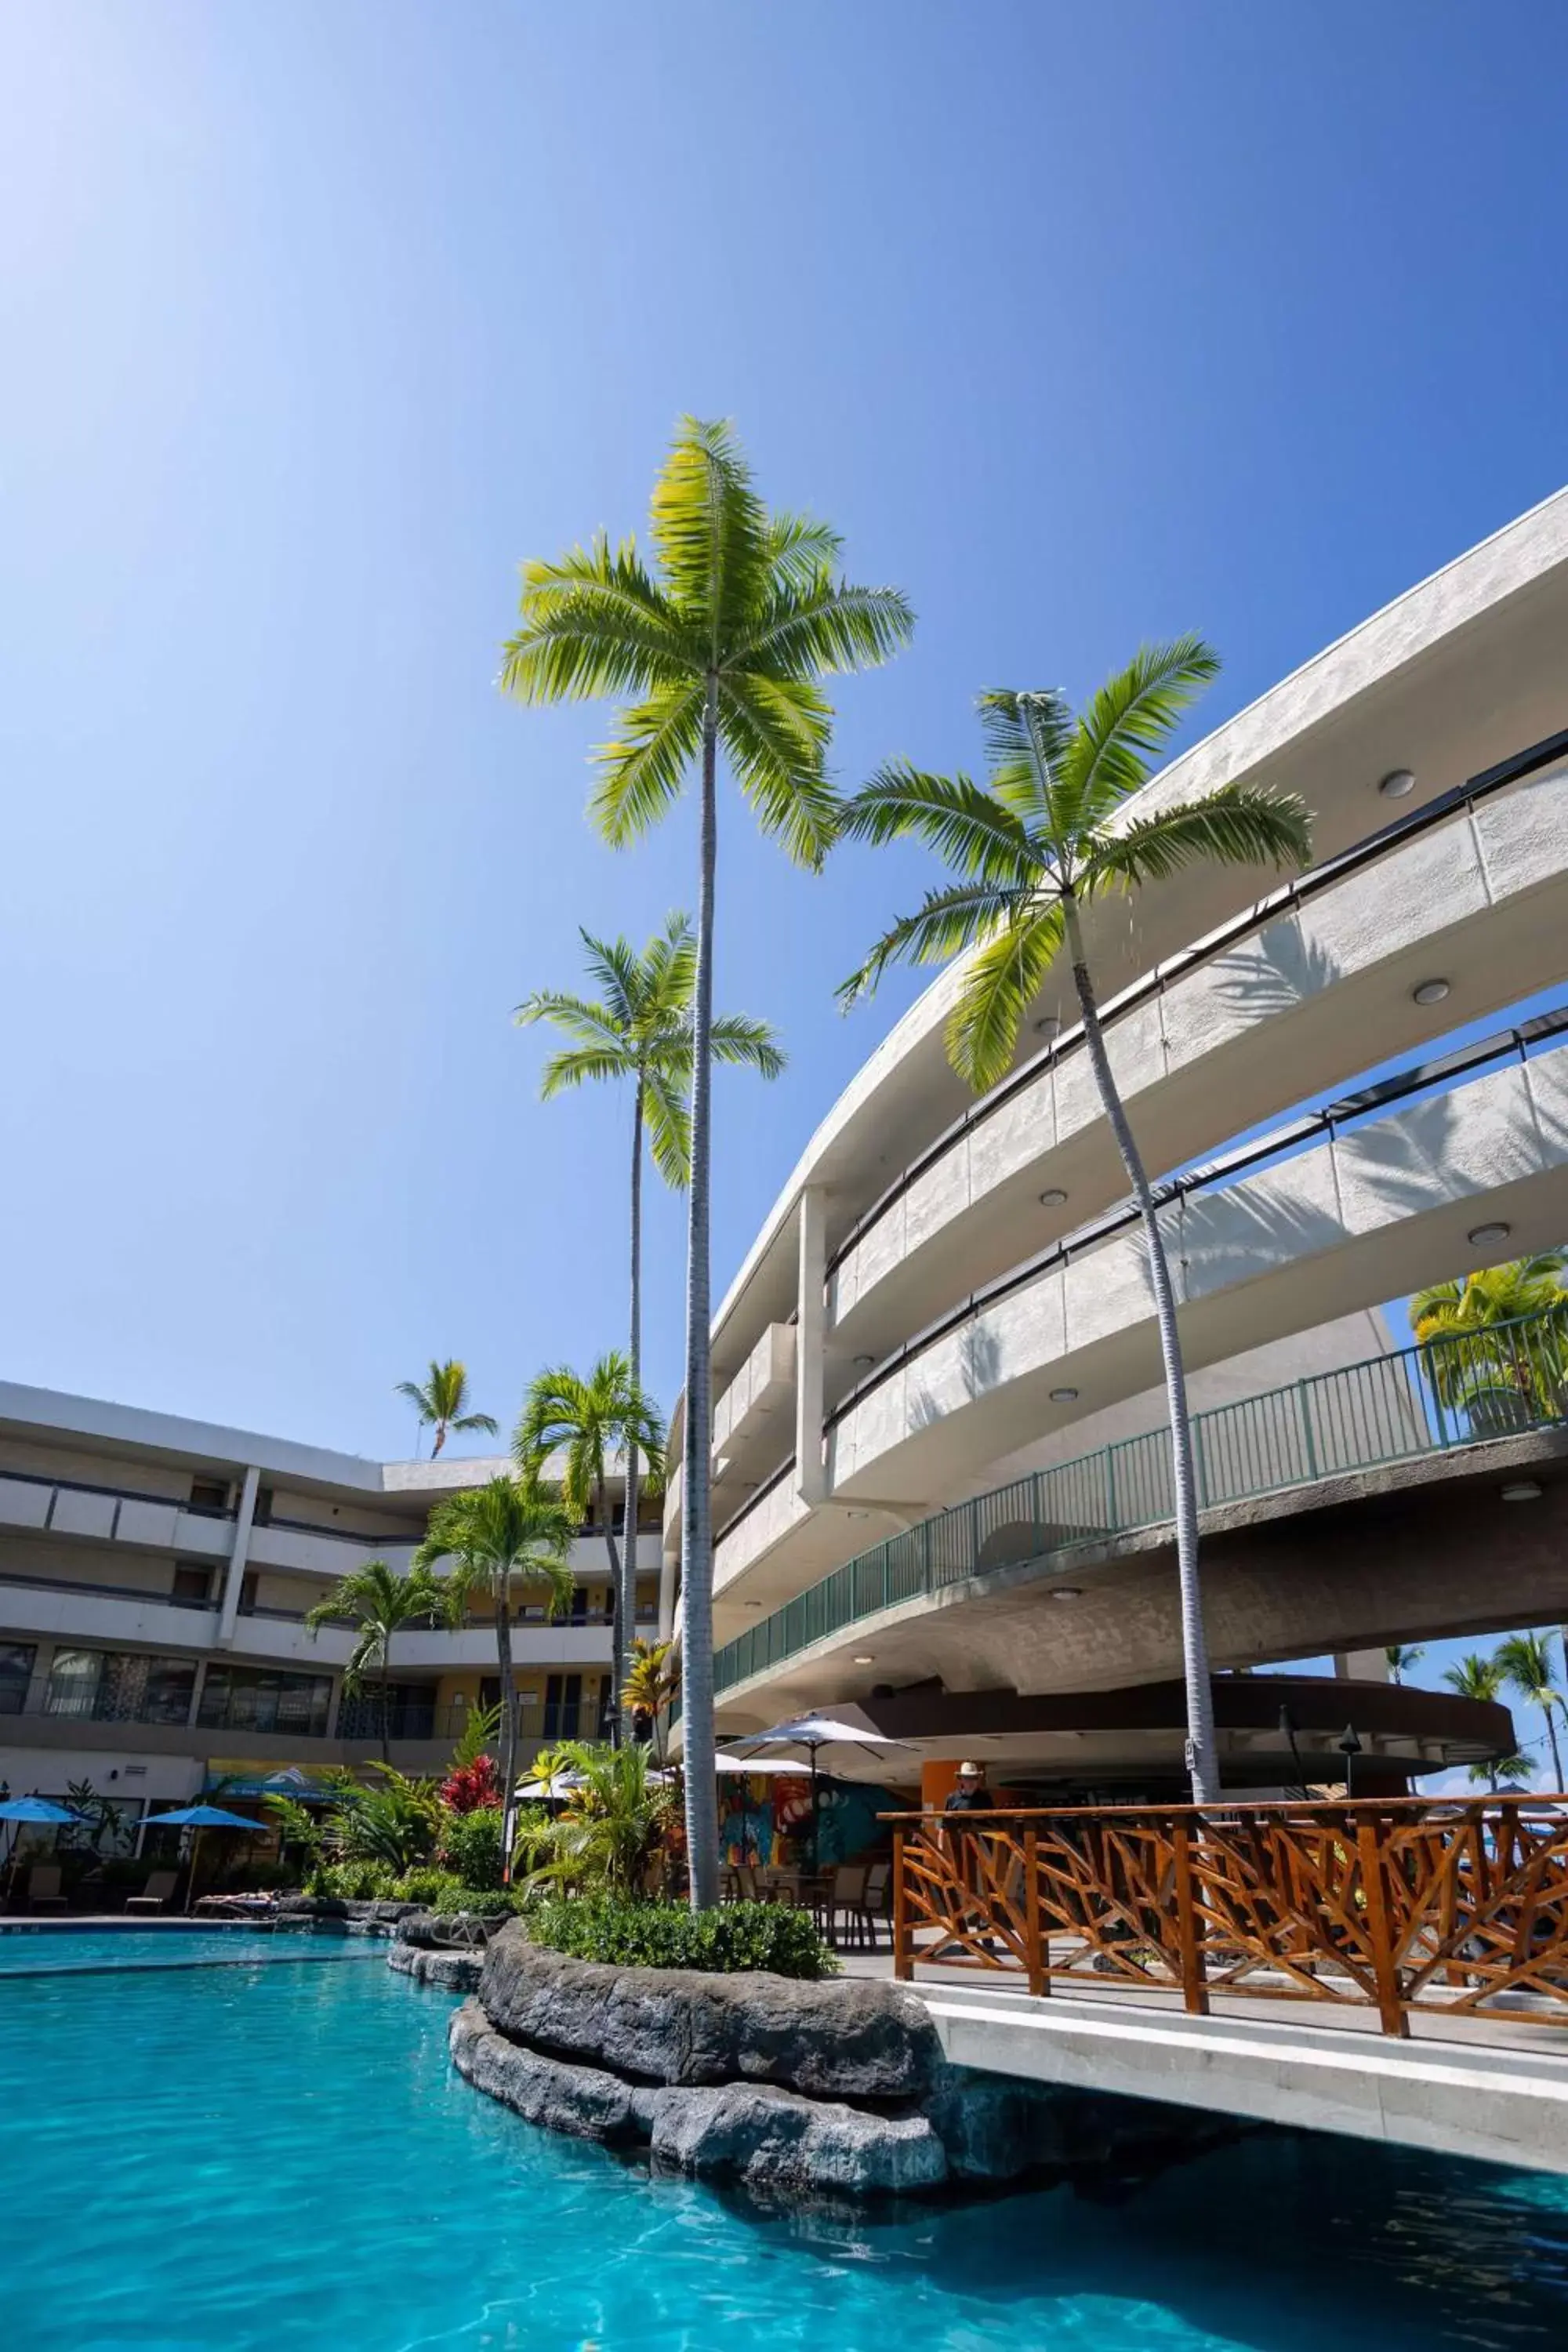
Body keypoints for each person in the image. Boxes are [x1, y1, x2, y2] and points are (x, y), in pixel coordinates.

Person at [941, 1762, 998, 1957]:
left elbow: (994, 1822)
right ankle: (964, 1934)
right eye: (968, 1778)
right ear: (961, 1780)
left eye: (974, 1778)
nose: (971, 1782)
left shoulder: (985, 1798)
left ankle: (984, 1925)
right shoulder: (952, 1798)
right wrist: (941, 1849)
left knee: (986, 1889)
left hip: (982, 1847)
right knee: (962, 1889)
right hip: (959, 1850)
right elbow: (944, 1825)